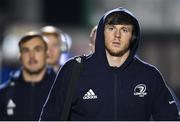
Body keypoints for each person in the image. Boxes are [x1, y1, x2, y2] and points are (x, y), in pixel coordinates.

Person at [40, 7, 179, 121]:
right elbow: (50, 118)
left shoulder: (149, 75)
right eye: (111, 28)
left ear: (133, 36)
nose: (117, 35)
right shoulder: (74, 70)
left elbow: (170, 118)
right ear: (102, 32)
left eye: (124, 30)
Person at [0, 31, 56, 120]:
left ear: (47, 54)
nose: (32, 56)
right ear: (20, 56)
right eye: (26, 50)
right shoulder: (3, 94)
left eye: (37, 49)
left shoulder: (61, 90)